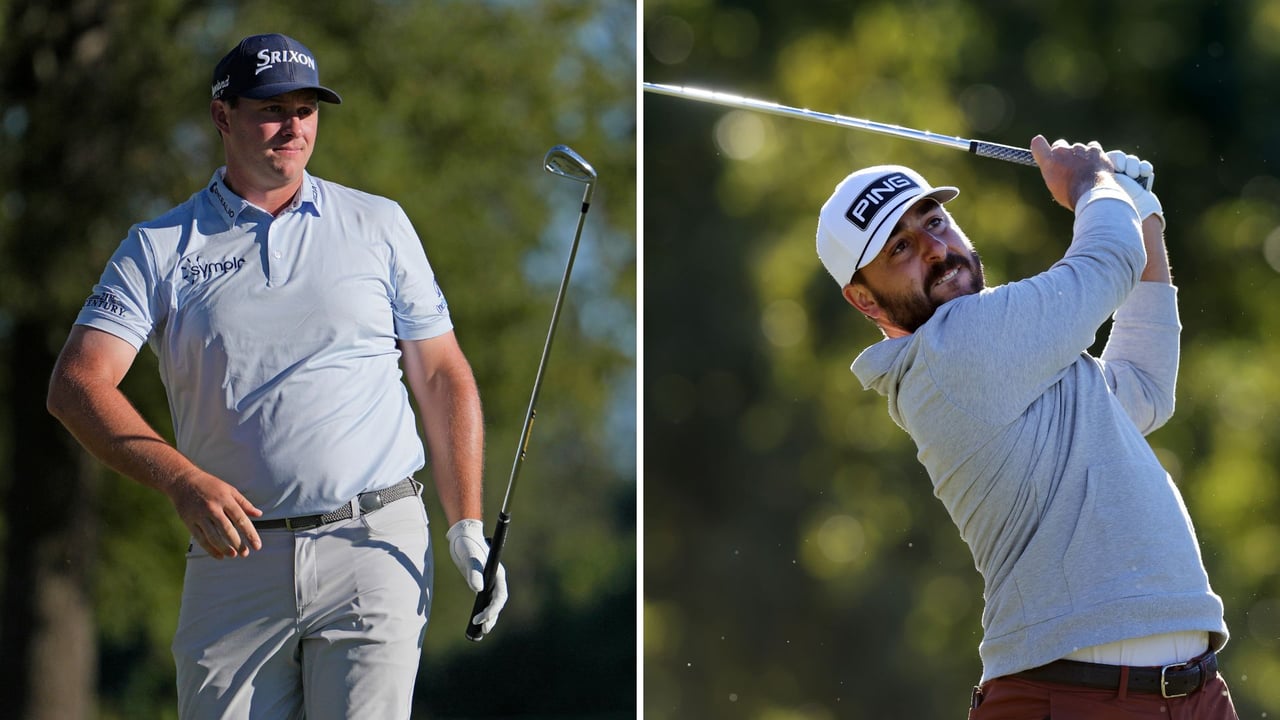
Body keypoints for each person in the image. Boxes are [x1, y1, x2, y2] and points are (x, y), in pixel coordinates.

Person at [45, 33, 507, 718]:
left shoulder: (378, 224)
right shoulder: (161, 246)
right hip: (235, 555)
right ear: (222, 116)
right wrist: (181, 480)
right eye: (271, 109)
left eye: (306, 110)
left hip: (374, 539)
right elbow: (78, 385)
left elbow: (440, 374)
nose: (293, 127)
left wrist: (465, 521)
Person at [814, 136, 1237, 719]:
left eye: (935, 222)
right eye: (900, 249)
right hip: (1073, 699)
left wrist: (1142, 215)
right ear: (864, 300)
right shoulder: (955, 348)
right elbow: (1105, 262)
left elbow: (1141, 389)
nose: (935, 249)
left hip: (1192, 694)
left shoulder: (1009, 360)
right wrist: (1092, 184)